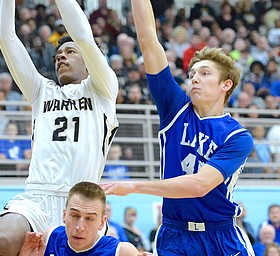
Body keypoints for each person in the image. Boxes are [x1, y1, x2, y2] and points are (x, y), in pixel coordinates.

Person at [101, 0, 255, 255]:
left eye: (205, 73)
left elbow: (199, 185)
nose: (194, 77)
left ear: (225, 85)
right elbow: (148, 38)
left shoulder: (238, 137)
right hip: (175, 234)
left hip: (221, 235)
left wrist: (136, 186)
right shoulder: (175, 108)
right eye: (192, 73)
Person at [0, 0, 119, 255]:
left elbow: (83, 36)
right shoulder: (41, 91)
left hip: (80, 202)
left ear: (89, 61)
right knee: (3, 239)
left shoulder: (103, 89)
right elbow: (5, 37)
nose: (61, 55)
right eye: (58, 55)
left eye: (70, 52)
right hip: (37, 196)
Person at [18, 182, 140, 256]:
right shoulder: (50, 237)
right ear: (64, 215)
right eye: (75, 216)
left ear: (102, 223)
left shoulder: (122, 252)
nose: (79, 227)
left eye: (89, 219)